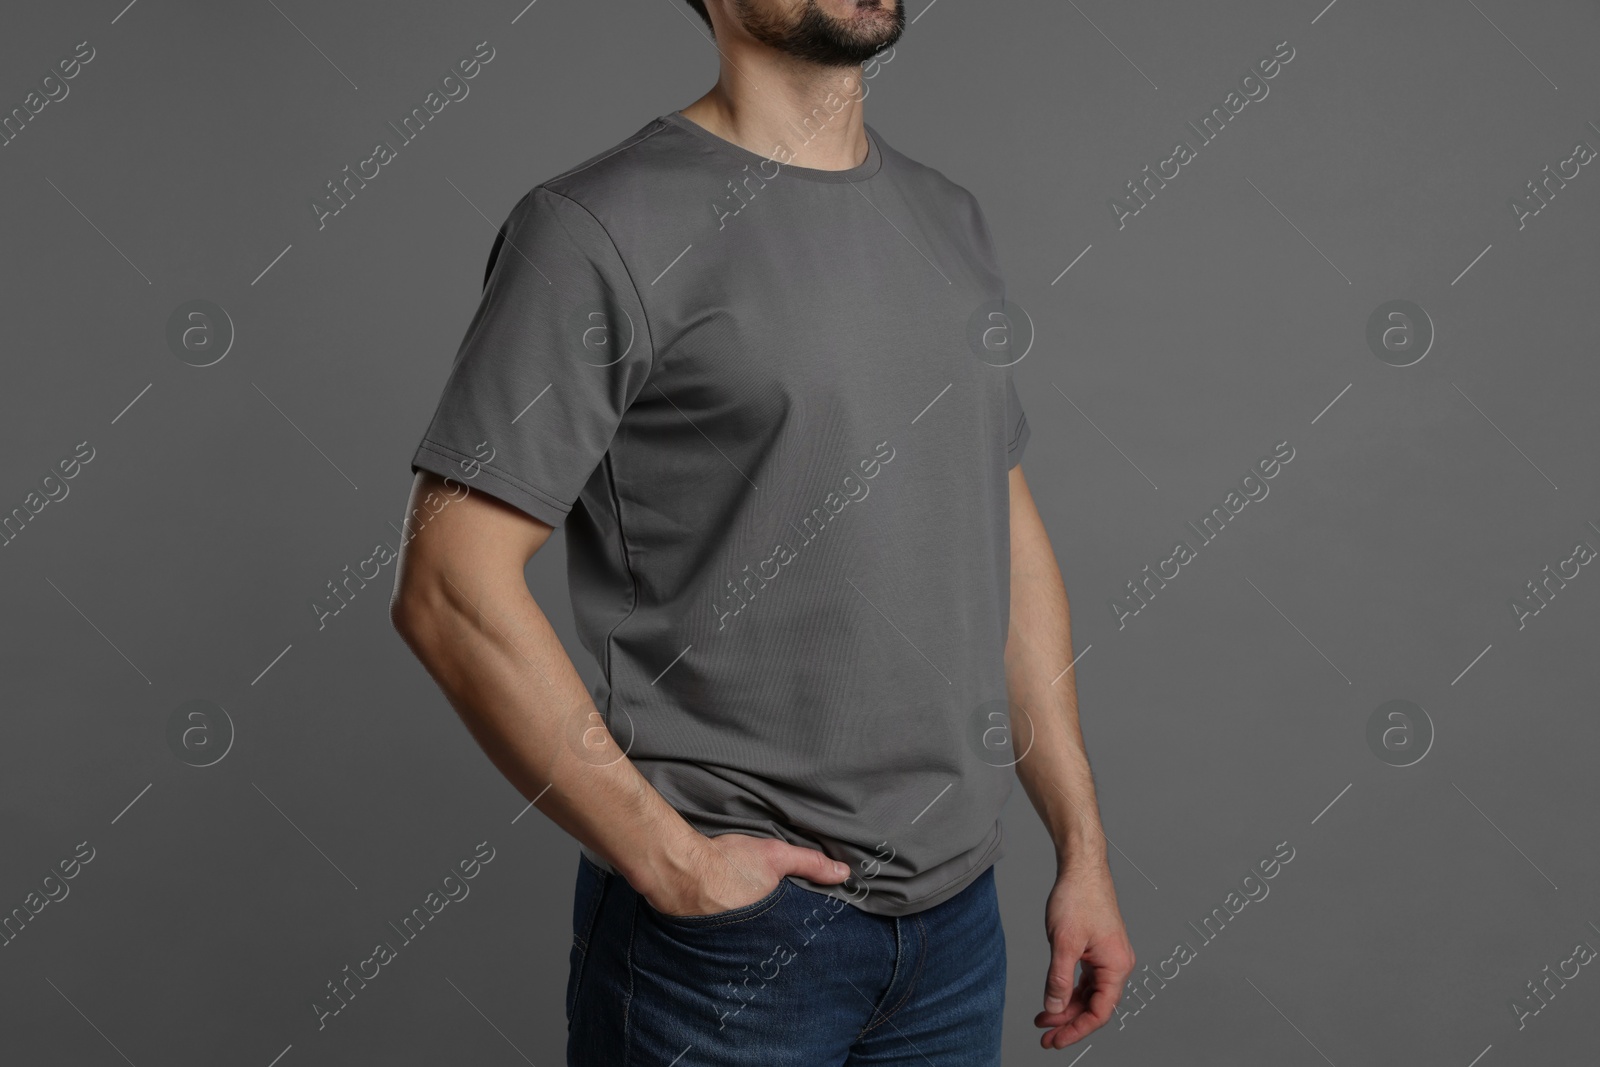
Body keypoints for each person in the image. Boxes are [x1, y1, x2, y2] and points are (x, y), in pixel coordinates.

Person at [390, 0, 1133, 1061]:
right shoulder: (598, 228)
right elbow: (447, 588)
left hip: (959, 927)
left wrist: (1082, 848)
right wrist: (677, 866)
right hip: (730, 945)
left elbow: (999, 536)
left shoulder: (947, 216)